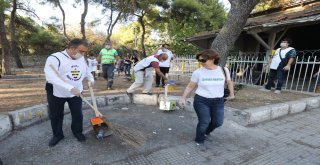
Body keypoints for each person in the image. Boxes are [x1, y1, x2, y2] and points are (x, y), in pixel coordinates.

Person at [178, 49, 235, 151]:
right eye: (199, 60)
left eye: (203, 60)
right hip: (201, 100)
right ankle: (199, 140)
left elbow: (229, 82)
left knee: (218, 122)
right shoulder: (198, 72)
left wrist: (232, 94)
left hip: (218, 101)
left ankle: (206, 132)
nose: (201, 63)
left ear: (212, 59)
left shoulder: (223, 70)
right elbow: (190, 86)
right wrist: (183, 98)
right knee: (204, 121)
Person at [44, 38, 94, 147]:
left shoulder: (81, 57)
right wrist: (69, 87)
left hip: (76, 91)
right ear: (72, 48)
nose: (83, 54)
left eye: (85, 51)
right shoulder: (54, 58)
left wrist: (91, 79)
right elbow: (51, 77)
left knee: (77, 113)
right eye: (82, 51)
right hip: (56, 90)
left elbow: (86, 70)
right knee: (56, 114)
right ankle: (57, 135)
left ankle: (77, 132)